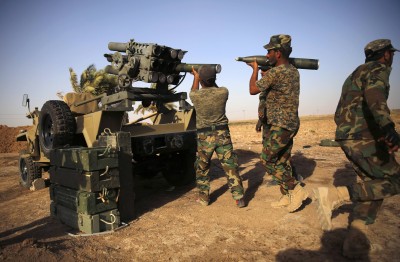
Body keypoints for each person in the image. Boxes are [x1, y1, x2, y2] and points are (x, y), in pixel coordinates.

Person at [313, 39, 400, 258]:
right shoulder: (378, 69)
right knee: (394, 181)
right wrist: (387, 126)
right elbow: (375, 96)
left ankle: (355, 242)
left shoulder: (354, 73)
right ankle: (337, 194)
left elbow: (339, 111)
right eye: (392, 54)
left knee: (374, 184)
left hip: (348, 136)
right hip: (363, 138)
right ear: (386, 55)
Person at [246, 34, 308, 212]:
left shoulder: (276, 72)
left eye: (269, 51)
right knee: (283, 160)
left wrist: (255, 70)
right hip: (288, 123)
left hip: (280, 124)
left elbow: (252, 90)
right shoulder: (292, 70)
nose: (267, 55)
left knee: (267, 159)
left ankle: (295, 189)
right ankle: (288, 196)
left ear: (278, 53)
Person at [189, 65, 245, 208]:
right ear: (214, 79)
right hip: (223, 135)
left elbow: (194, 90)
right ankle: (239, 198)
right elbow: (214, 87)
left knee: (202, 168)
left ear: (200, 79)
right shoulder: (223, 92)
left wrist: (196, 78)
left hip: (204, 137)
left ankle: (204, 199)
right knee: (230, 166)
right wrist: (205, 77)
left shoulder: (195, 95)